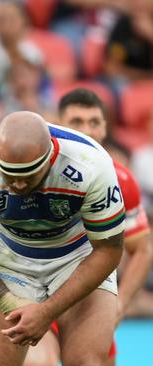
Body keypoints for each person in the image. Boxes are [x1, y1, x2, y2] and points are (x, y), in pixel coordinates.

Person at [0, 111, 125, 365]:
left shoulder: (90, 164)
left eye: (28, 175)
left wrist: (46, 312)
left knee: (86, 361)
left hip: (76, 256)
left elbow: (109, 249)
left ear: (50, 159)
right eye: (9, 174)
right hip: (9, 256)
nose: (17, 185)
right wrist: (2, 300)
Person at [19, 88, 152, 366]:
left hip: (89, 303)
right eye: (77, 122)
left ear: (105, 129)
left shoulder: (121, 181)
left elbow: (142, 250)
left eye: (94, 122)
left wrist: (120, 306)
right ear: (58, 126)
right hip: (34, 293)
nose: (87, 130)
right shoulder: (29, 173)